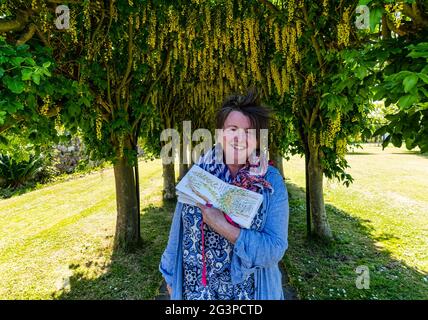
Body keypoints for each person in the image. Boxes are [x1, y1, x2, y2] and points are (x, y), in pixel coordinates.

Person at [159, 89, 289, 300]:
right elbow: (178, 231)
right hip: (196, 293)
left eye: (249, 131)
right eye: (233, 128)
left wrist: (222, 225)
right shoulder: (200, 172)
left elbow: (274, 248)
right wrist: (170, 279)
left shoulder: (270, 182)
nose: (239, 137)